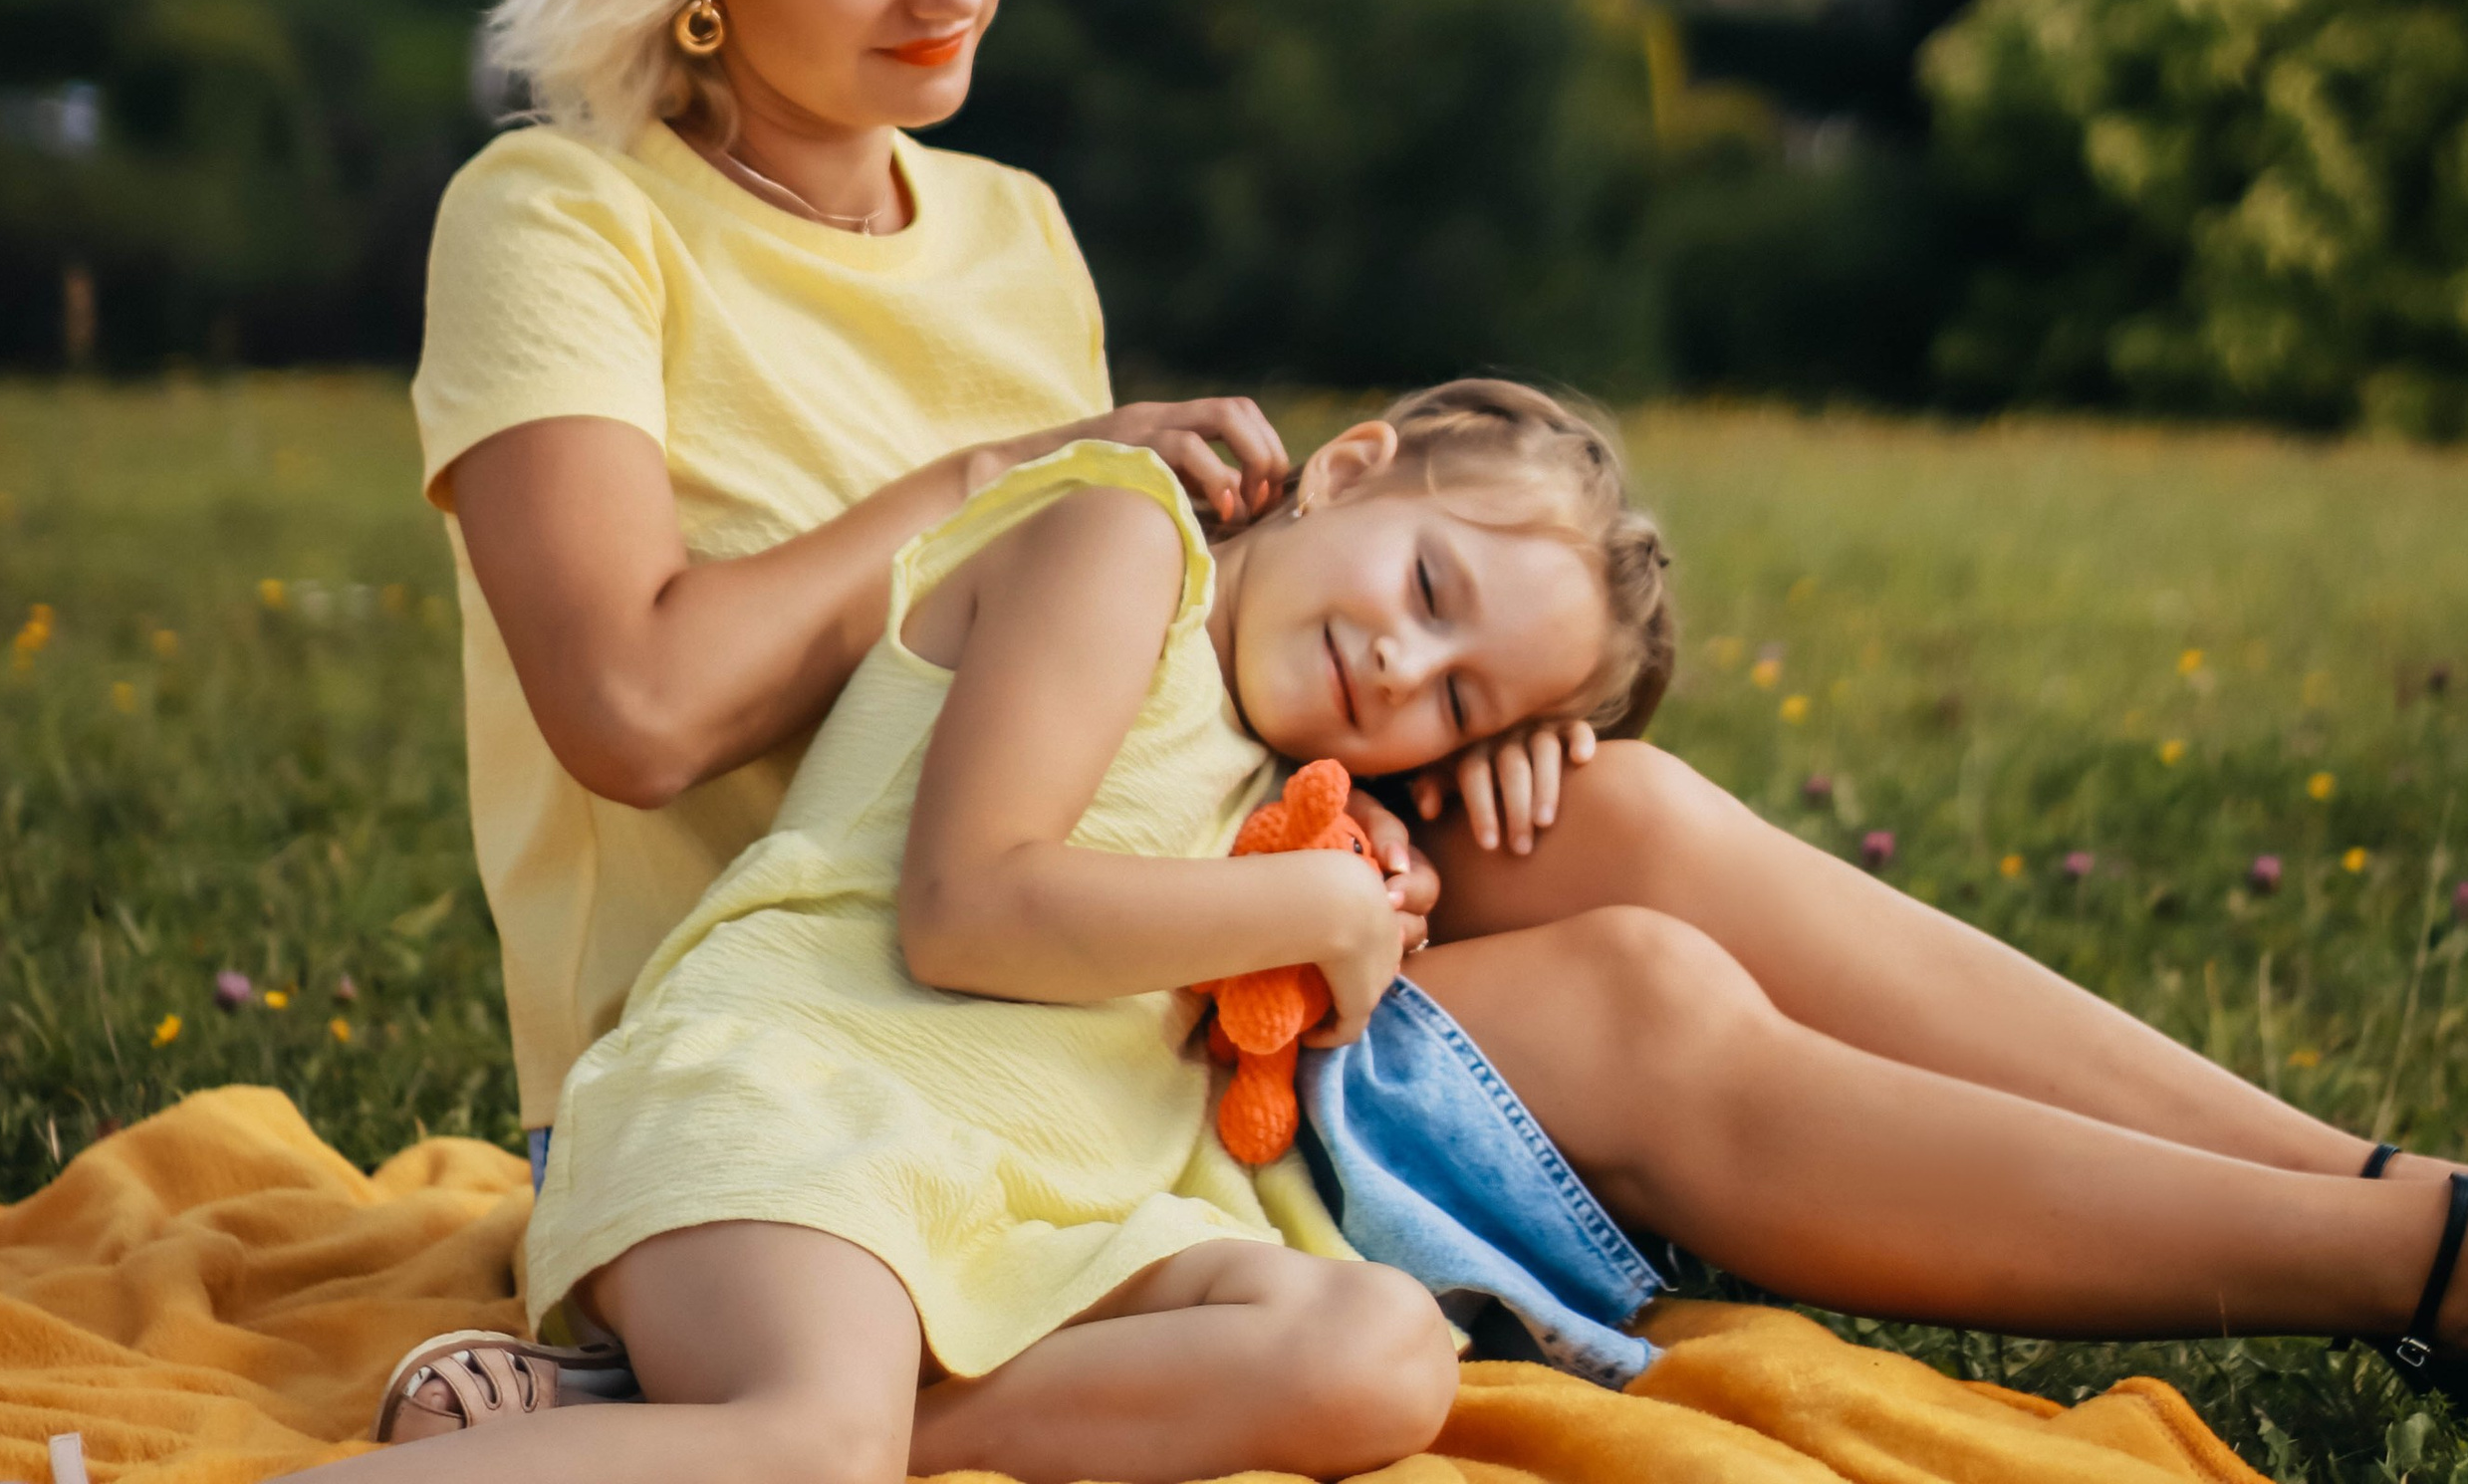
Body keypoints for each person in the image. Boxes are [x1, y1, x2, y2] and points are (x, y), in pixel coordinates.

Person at [403, 0, 2468, 1431]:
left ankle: (2385, 1205)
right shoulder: (562, 221)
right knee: (1649, 1010)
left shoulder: (1012, 231)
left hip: (1076, 977)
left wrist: (1427, 732)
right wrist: (984, 477)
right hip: (772, 1074)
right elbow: (635, 702)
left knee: (1625, 823)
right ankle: (2401, 1265)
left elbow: (1104, 680)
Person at [355, 382, 1669, 1484]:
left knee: (1380, 1354)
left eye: (1459, 703)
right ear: (1348, 469)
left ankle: (672, 1425)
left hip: (1038, 1208)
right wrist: (1316, 910)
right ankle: (800, 1431)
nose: (1402, 667)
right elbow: (968, 912)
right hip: (811, 1108)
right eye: (1429, 587)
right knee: (817, 1441)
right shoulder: (1118, 543)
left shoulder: (1293, 794)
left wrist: (1376, 851)